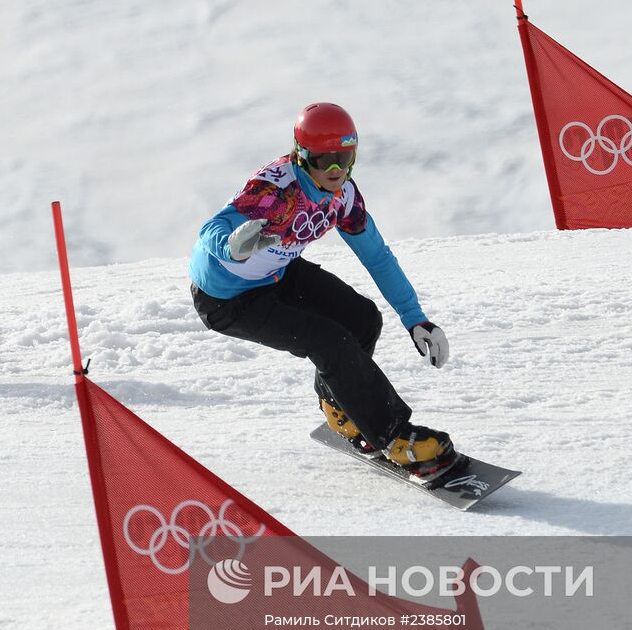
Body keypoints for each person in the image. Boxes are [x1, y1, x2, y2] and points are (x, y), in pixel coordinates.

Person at [189, 102, 456, 478]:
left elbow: (377, 257)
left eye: (343, 159)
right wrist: (232, 247)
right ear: (301, 156)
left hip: (276, 273)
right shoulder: (275, 191)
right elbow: (210, 229)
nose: (335, 171)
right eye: (323, 160)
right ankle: (394, 437)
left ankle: (340, 409)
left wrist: (415, 318)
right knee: (331, 342)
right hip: (227, 298)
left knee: (363, 320)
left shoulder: (343, 198)